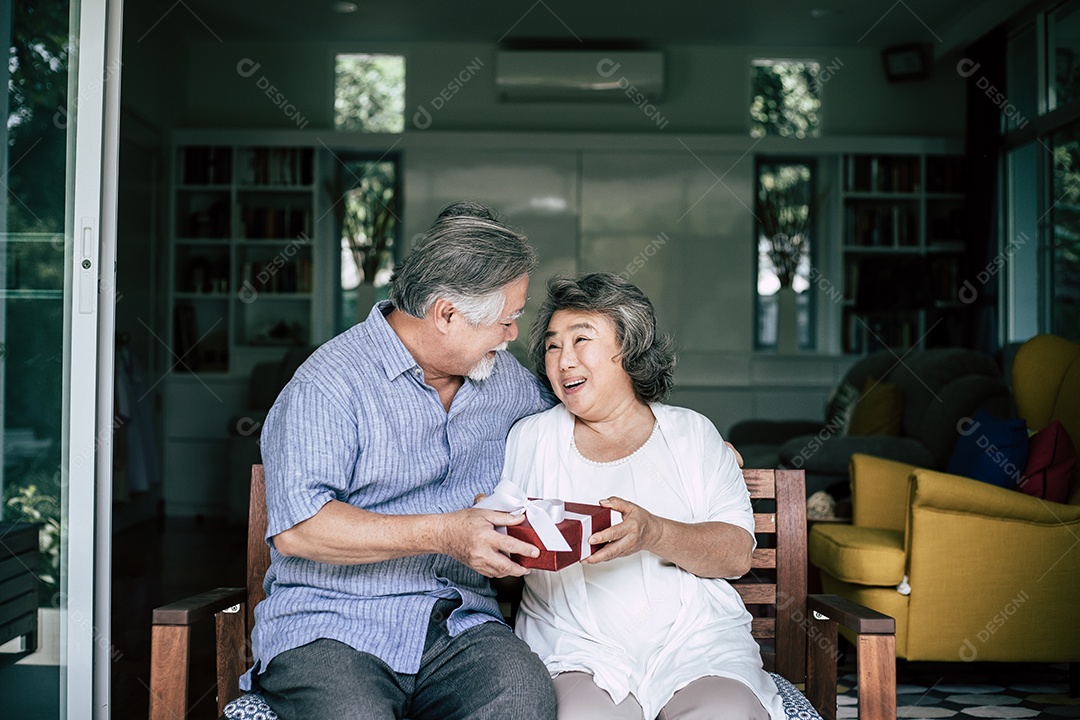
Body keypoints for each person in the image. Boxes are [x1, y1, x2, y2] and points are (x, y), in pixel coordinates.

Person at [243, 202, 558, 720]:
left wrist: (676, 438)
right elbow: (299, 530)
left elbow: (579, 421)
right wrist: (444, 533)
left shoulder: (507, 382)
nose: (512, 336)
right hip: (333, 625)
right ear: (447, 315)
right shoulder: (329, 383)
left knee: (522, 701)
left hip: (460, 626)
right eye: (506, 321)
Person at [503, 273, 784, 720]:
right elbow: (503, 548)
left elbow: (735, 556)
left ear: (629, 350)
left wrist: (653, 532)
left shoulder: (692, 433)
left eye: (582, 340)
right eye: (553, 345)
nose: (564, 359)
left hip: (696, 642)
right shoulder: (531, 438)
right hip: (576, 645)